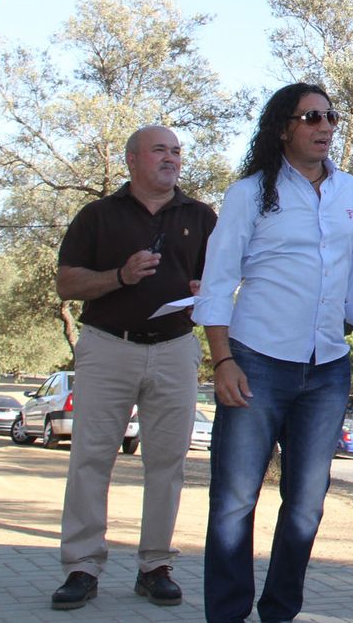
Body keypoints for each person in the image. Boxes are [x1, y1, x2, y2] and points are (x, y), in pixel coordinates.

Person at [193, 84, 353, 623]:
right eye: (311, 118)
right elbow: (217, 283)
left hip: (327, 369)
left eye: (331, 117)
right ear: (284, 127)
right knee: (234, 502)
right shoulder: (251, 193)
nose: (325, 127)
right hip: (255, 362)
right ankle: (227, 615)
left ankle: (279, 612)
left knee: (306, 506)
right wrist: (223, 359)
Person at [49, 125, 217, 611]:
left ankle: (155, 566)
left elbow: (224, 275)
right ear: (132, 160)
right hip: (107, 348)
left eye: (177, 151)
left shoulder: (201, 216)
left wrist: (208, 287)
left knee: (167, 462)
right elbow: (66, 283)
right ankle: (81, 567)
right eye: (160, 150)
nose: (171, 158)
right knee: (91, 459)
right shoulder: (98, 216)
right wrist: (119, 276)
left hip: (175, 348)